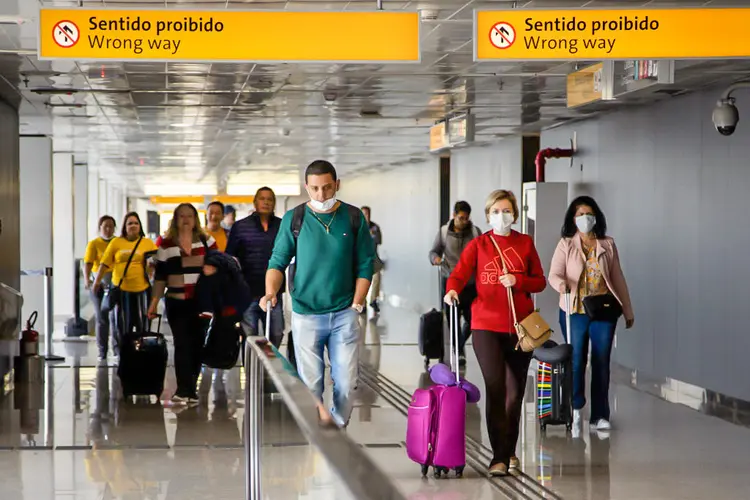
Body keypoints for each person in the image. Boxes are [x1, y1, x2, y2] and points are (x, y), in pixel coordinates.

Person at [261, 160, 375, 427]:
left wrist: (357, 302)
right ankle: (320, 441)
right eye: (314, 189)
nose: (321, 195)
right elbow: (278, 261)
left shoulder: (353, 217)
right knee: (311, 385)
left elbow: (366, 263)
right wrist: (270, 293)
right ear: (306, 187)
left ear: (337, 184)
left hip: (344, 312)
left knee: (347, 385)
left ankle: (337, 428)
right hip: (306, 313)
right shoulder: (295, 218)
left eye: (326, 188)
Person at [444, 189, 546, 476]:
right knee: (496, 387)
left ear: (515, 213)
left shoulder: (525, 243)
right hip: (485, 326)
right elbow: (460, 273)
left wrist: (518, 280)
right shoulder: (479, 244)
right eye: (495, 211)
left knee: (515, 395)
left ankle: (509, 448)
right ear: (488, 216)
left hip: (520, 328)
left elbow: (540, 282)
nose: (502, 216)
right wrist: (452, 289)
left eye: (506, 210)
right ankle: (498, 458)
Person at [548, 195, 634, 432]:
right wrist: (561, 284)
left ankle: (600, 415)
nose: (584, 218)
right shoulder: (566, 244)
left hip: (602, 310)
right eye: (579, 215)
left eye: (588, 214)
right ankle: (576, 407)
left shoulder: (607, 244)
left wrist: (627, 310)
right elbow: (553, 274)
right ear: (572, 219)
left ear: (595, 216)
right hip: (574, 309)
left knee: (601, 360)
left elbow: (618, 278)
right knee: (576, 360)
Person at [148, 203, 217, 404]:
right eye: (181, 216)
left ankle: (191, 386)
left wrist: (214, 269)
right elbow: (160, 277)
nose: (186, 220)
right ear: (175, 219)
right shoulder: (167, 245)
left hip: (201, 301)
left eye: (190, 216)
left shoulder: (206, 241)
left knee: (197, 344)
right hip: (176, 302)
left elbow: (221, 262)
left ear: (196, 219)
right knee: (182, 343)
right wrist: (153, 303)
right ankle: (183, 389)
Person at [93, 212, 158, 361]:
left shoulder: (147, 243)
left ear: (140, 226)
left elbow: (156, 263)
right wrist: (96, 281)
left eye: (136, 223)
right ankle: (125, 357)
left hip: (142, 289)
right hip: (121, 290)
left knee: (143, 325)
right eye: (130, 223)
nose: (133, 226)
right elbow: (104, 263)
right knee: (122, 326)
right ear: (124, 227)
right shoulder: (116, 243)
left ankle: (142, 356)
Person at [226, 187, 284, 347]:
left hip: (273, 293)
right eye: (262, 198)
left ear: (274, 203)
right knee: (249, 336)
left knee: (276, 333)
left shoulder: (281, 226)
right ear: (255, 202)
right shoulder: (240, 227)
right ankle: (251, 371)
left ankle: (267, 371)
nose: (266, 202)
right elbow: (230, 258)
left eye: (270, 199)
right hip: (247, 293)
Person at [429, 200, 482, 366]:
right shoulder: (444, 232)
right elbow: (433, 251)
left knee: (473, 320)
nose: (464, 221)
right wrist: (435, 258)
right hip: (450, 281)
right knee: (453, 320)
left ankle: (458, 346)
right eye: (461, 218)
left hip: (471, 283)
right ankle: (459, 352)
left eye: (466, 218)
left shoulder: (475, 232)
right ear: (454, 215)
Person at [84, 215, 116, 360]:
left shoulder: (117, 242)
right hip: (98, 284)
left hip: (114, 283)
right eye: (105, 226)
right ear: (100, 228)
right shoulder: (94, 243)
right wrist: (87, 280)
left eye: (111, 226)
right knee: (101, 317)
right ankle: (102, 351)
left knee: (115, 317)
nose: (108, 229)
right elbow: (88, 263)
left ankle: (117, 350)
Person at [361, 206, 383, 313]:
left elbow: (378, 241)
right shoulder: (357, 227)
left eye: (367, 214)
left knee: (377, 278)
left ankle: (373, 300)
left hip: (373, 257)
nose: (366, 216)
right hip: (361, 259)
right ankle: (362, 304)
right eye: (364, 214)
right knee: (362, 280)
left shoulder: (374, 227)